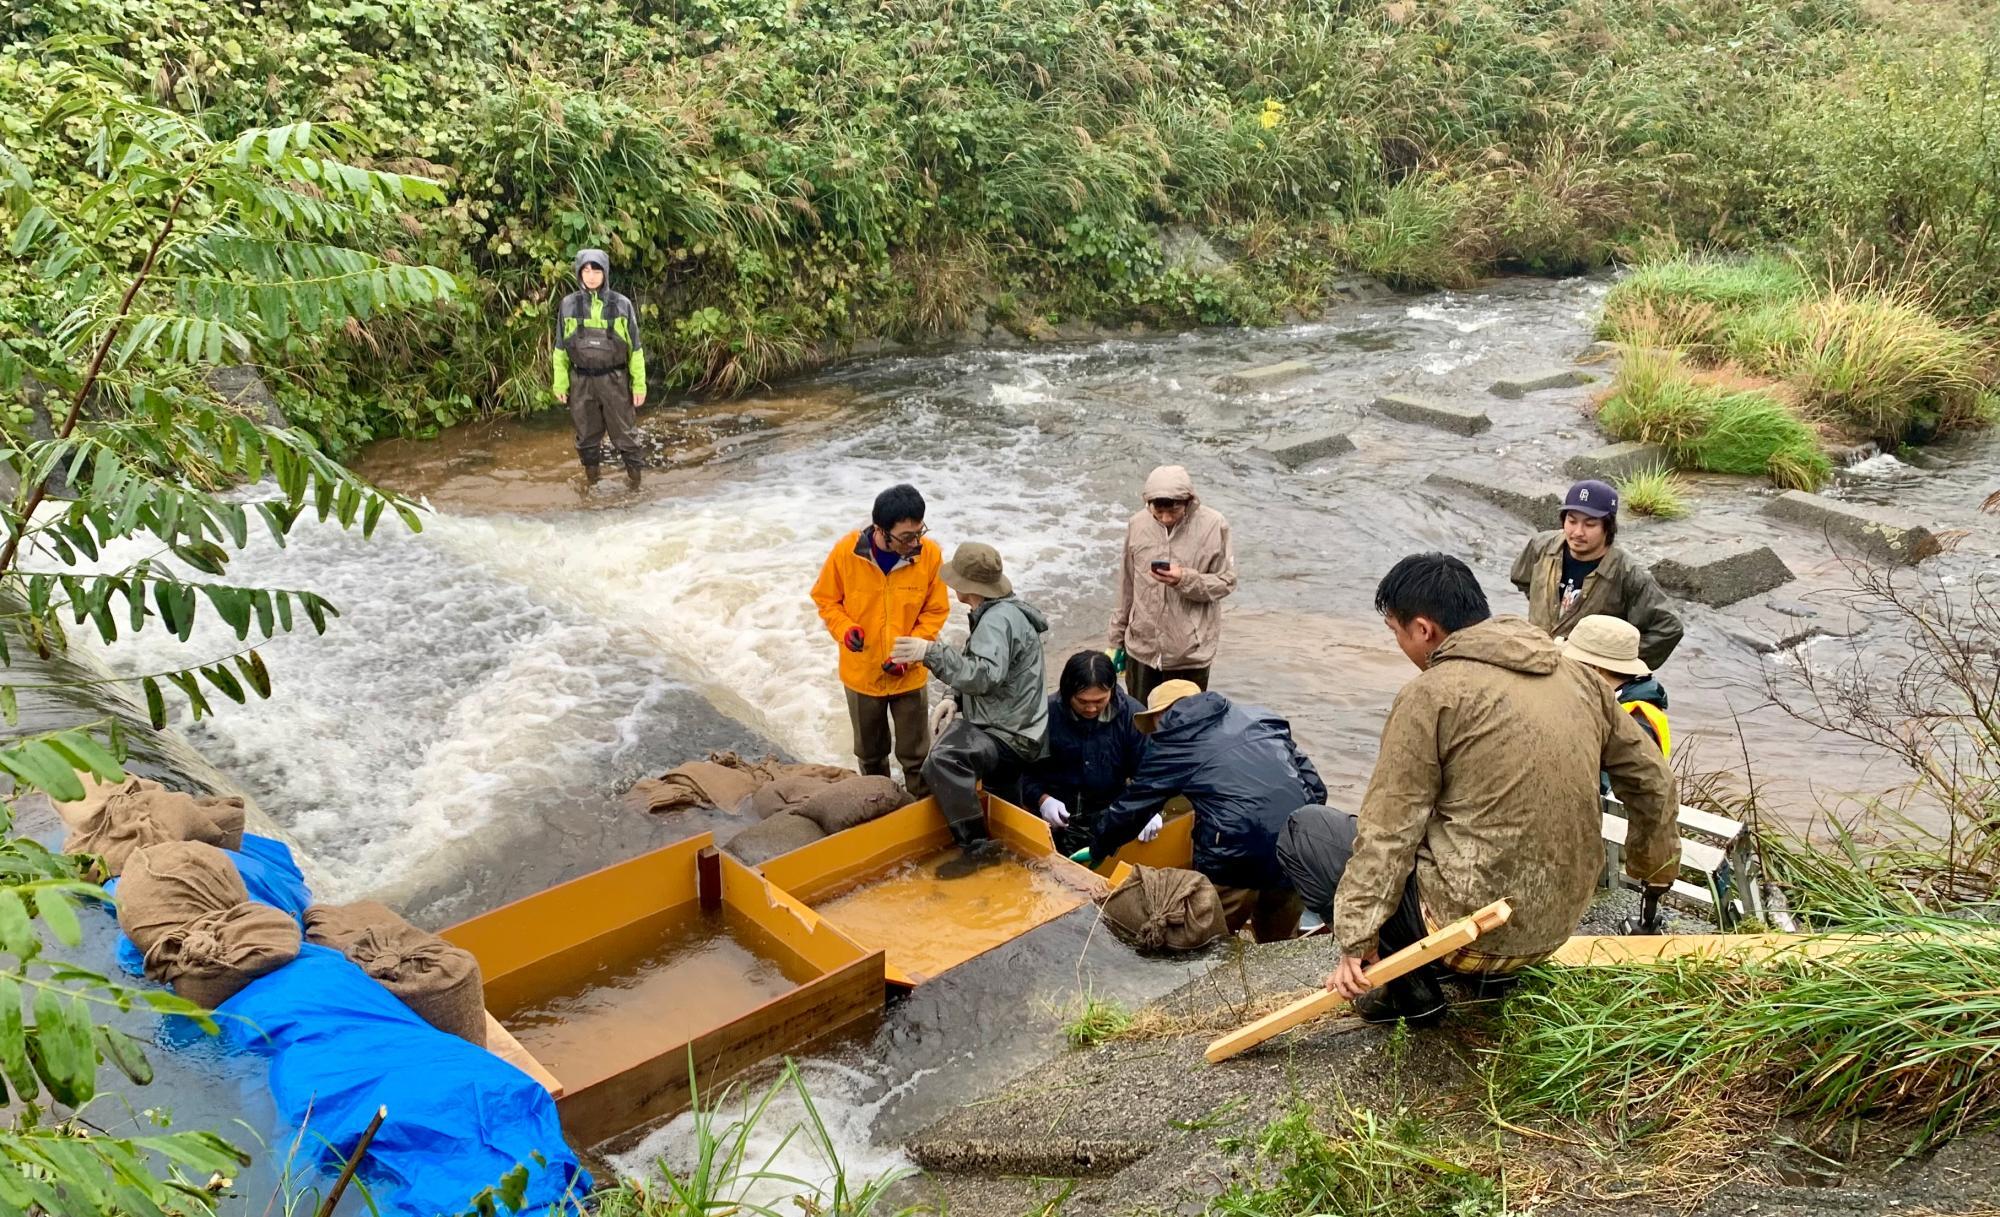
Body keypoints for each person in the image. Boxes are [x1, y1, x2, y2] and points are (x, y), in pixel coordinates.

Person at [1279, 553, 1678, 1027]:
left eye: (1396, 632)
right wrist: (1652, 872)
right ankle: (1494, 979)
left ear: (1423, 630)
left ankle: (1410, 993)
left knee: (1306, 831)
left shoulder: (1431, 694)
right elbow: (1654, 782)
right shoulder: (1580, 680)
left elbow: (1388, 831)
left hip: (1469, 934)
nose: (1400, 644)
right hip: (1553, 928)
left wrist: (1355, 939)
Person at [1088, 680, 1326, 943]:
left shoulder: (1175, 742)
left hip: (1236, 856)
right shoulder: (1260, 717)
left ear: (1161, 715)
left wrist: (1100, 845)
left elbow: (1132, 807)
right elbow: (1316, 786)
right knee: (1280, 942)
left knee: (1210, 939)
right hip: (1298, 846)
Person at [893, 543, 1049, 846]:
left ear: (968, 587)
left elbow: (984, 676)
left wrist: (930, 653)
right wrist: (955, 698)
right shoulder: (1002, 611)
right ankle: (1013, 846)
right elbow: (989, 669)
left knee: (943, 760)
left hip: (1009, 733)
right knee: (1005, 805)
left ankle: (975, 846)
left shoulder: (996, 620)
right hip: (1022, 729)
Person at [811, 485, 950, 796]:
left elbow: (936, 610)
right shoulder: (845, 553)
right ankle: (878, 803)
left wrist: (911, 654)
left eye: (919, 532)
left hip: (909, 676)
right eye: (906, 537)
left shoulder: (930, 555)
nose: (915, 542)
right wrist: (845, 629)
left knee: (915, 755)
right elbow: (826, 600)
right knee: (871, 755)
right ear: (880, 530)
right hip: (862, 675)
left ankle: (918, 804)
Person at [1509, 479, 1682, 669]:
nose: (1577, 532)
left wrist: (1620, 664)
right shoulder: (1541, 547)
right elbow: (1522, 579)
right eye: (1572, 521)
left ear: (1608, 528)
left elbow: (1668, 628)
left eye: (1590, 525)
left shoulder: (1629, 574)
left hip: (1588, 676)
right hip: (1537, 660)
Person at [1108, 465, 1237, 701]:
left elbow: (1226, 582)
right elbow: (1126, 587)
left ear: (1189, 501)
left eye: (1173, 510)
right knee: (1141, 721)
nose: (1165, 518)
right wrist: (1116, 640)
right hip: (1142, 649)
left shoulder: (1214, 525)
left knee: (1185, 726)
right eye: (1158, 511)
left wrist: (1184, 579)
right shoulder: (1137, 524)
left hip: (1189, 653)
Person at [1020, 650, 1146, 856]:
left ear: (1112, 691)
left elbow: (1149, 772)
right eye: (1082, 701)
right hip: (1052, 816)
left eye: (1099, 701)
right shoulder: (1043, 715)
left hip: (1109, 815)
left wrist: (1149, 810)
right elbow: (1021, 770)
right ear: (1067, 692)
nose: (1090, 708)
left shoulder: (1133, 716)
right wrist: (1042, 800)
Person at [552, 248, 648, 488]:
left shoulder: (621, 305)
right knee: (586, 439)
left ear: (605, 272)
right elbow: (560, 349)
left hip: (614, 381)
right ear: (579, 273)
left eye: (596, 269)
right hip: (581, 382)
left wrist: (639, 384)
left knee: (626, 437)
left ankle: (636, 487)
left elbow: (635, 349)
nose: (591, 275)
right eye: (586, 269)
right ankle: (591, 485)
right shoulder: (568, 305)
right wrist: (560, 383)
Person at [1561, 614, 1670, 758]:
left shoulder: (1634, 725)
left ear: (1593, 669)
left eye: (1570, 663)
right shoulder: (1619, 701)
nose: (1563, 670)